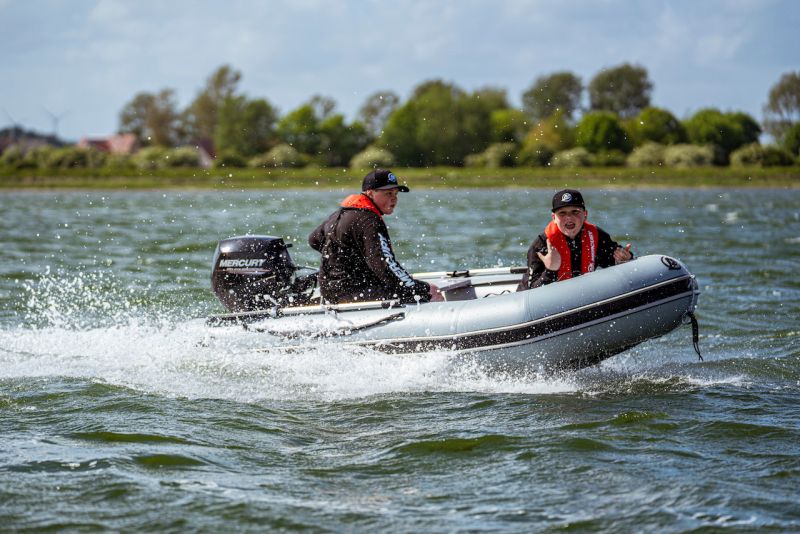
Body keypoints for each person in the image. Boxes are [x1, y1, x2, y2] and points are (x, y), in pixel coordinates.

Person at [309, 169, 442, 304]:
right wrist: (420, 288)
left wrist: (350, 262)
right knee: (432, 292)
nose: (394, 198)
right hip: (353, 292)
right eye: (388, 193)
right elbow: (384, 266)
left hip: (330, 291)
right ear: (370, 193)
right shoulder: (369, 221)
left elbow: (314, 240)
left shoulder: (341, 214)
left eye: (396, 193)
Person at [517, 189, 633, 291]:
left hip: (581, 298)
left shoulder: (597, 236)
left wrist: (624, 258)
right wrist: (550, 270)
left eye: (575, 212)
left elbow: (612, 260)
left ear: (585, 214)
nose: (569, 217)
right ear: (554, 218)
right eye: (562, 213)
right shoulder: (541, 245)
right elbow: (531, 292)